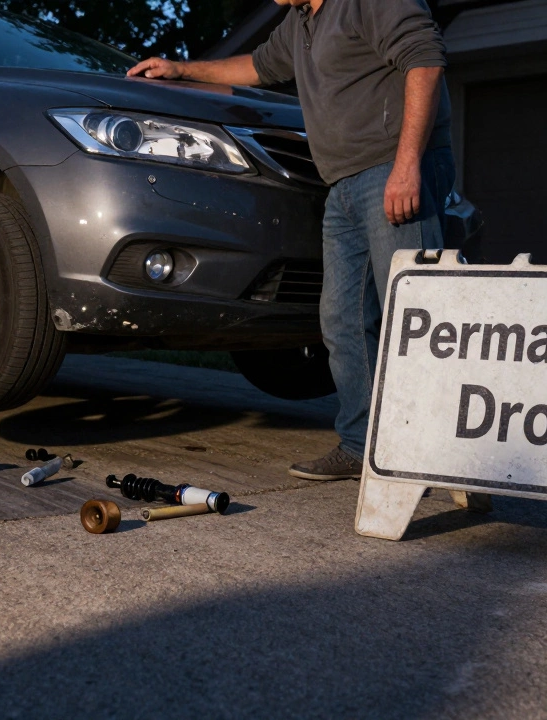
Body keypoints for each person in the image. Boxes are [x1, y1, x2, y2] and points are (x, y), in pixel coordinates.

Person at [128, 0, 455, 480]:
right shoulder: (299, 23)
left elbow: (425, 62)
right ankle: (362, 445)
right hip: (342, 183)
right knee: (340, 318)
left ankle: (439, 456)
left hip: (393, 170)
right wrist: (180, 69)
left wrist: (407, 167)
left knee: (414, 319)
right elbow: (255, 67)